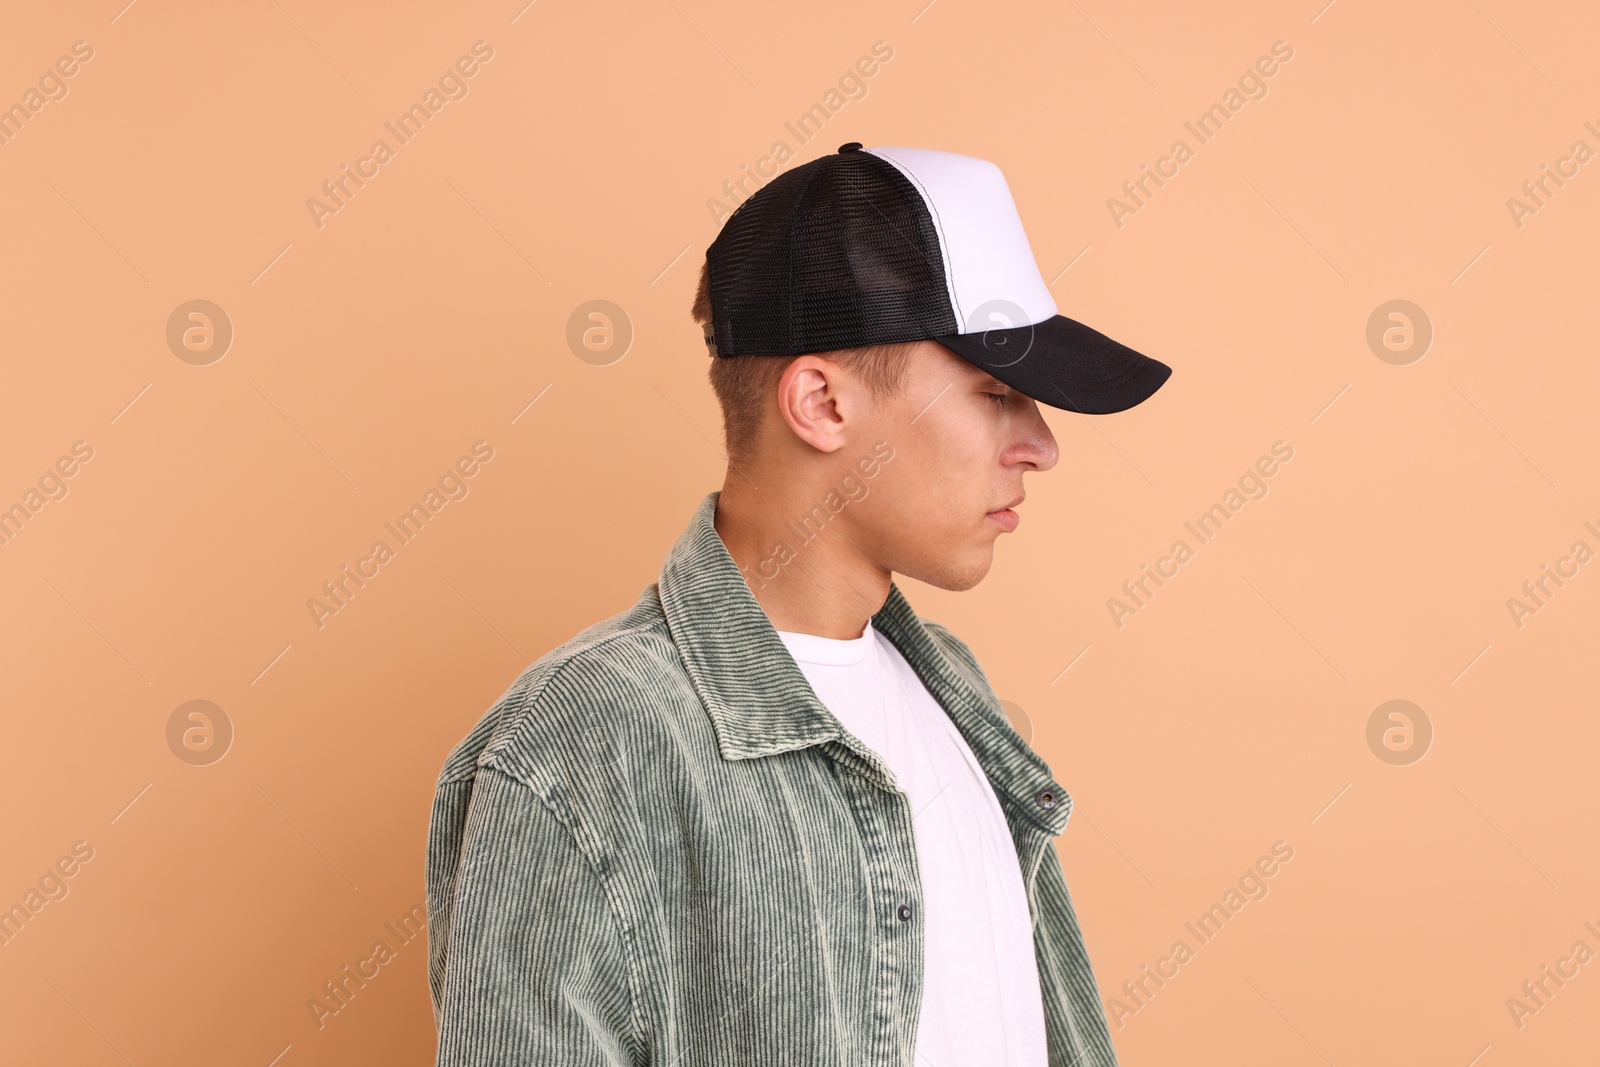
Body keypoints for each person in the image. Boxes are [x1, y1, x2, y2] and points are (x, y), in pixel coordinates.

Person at [425, 143, 1171, 1066]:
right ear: (820, 403)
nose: (1042, 446)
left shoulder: (952, 693)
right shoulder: (589, 741)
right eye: (995, 393)